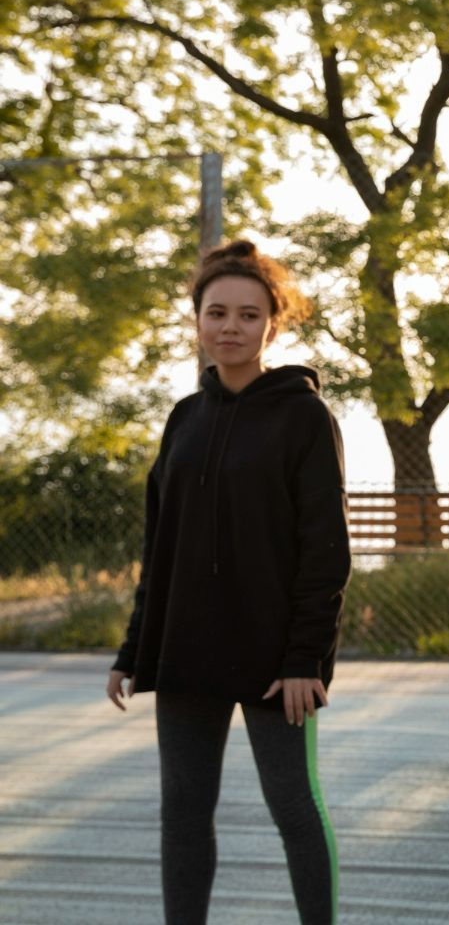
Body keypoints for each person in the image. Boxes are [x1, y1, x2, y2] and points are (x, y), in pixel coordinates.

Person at [107, 240, 350, 925]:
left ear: (273, 325)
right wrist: (134, 648)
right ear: (197, 322)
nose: (231, 327)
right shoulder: (184, 418)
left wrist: (307, 657)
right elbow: (162, 548)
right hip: (185, 650)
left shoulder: (303, 416)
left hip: (277, 660)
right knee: (183, 812)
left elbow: (325, 548)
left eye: (248, 315)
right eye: (217, 313)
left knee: (294, 808)